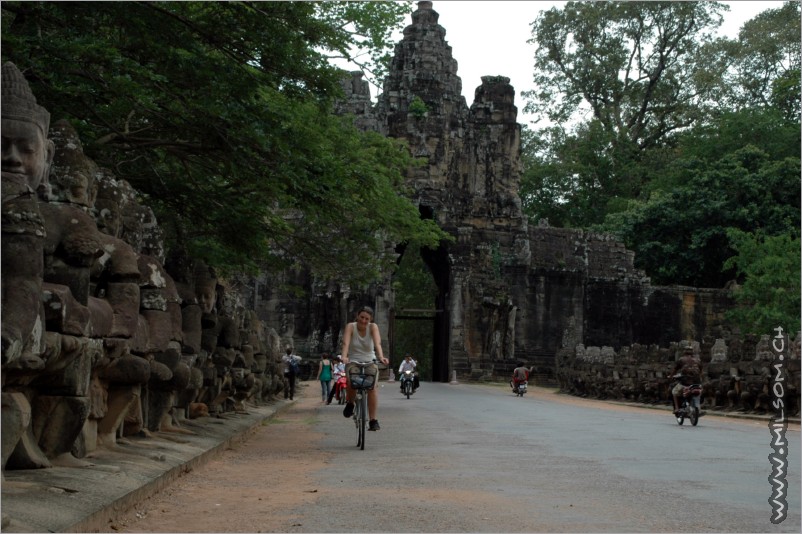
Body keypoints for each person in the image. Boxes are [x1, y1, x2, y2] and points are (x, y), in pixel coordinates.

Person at [340, 306, 389, 431]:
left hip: (369, 361)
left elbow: (377, 343)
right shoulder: (351, 327)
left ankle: (373, 420)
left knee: (372, 388)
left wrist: (381, 357)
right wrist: (344, 357)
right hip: (353, 361)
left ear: (370, 319)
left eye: (367, 319)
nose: (363, 321)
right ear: (357, 316)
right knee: (351, 381)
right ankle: (350, 403)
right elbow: (345, 343)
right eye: (361, 317)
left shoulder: (373, 327)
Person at [671, 346, 703, 415]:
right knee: (699, 394)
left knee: (674, 392)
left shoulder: (681, 359)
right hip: (697, 383)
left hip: (685, 383)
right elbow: (701, 371)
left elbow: (675, 369)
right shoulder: (698, 360)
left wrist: (671, 376)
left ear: (684, 352)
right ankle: (698, 408)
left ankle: (677, 408)